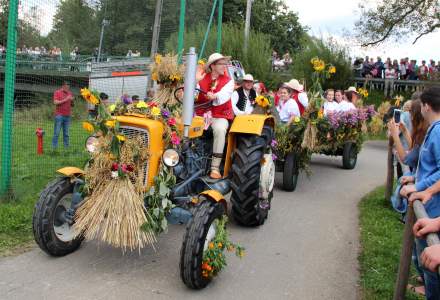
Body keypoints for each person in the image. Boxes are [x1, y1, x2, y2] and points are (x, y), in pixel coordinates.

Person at [400, 86, 440, 300]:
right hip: (431, 209)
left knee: (432, 272)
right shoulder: (434, 129)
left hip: (434, 208)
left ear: (426, 106)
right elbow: (433, 169)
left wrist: (421, 187)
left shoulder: (439, 131)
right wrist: (417, 179)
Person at [196, 53, 235, 179]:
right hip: (201, 114)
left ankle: (215, 167)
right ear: (213, 66)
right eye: (221, 63)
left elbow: (225, 95)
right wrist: (194, 82)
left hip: (220, 114)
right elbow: (192, 95)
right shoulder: (201, 78)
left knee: (219, 129)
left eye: (225, 63)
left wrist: (215, 96)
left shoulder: (229, 81)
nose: (225, 66)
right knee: (185, 125)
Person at [52, 81, 74, 149]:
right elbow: (55, 102)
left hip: (68, 116)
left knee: (66, 134)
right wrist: (66, 99)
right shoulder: (57, 92)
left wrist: (72, 101)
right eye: (67, 85)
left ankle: (66, 148)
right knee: (57, 133)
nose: (68, 87)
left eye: (69, 85)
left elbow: (72, 105)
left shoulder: (70, 93)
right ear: (63, 86)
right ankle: (54, 148)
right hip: (59, 116)